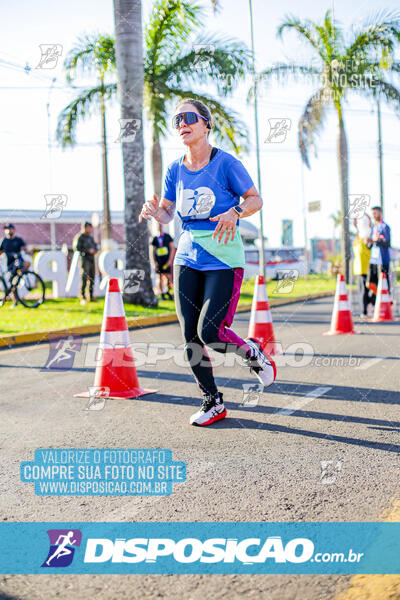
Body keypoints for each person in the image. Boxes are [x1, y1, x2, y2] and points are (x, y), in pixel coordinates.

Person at [139, 98, 276, 427]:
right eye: (176, 121)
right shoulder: (175, 169)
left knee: (211, 333)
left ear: (206, 124)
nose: (181, 124)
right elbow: (170, 212)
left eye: (188, 118)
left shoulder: (226, 163)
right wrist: (158, 213)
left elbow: (256, 198)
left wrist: (236, 211)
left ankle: (251, 353)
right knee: (190, 336)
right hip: (187, 256)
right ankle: (212, 401)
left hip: (223, 257)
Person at [367, 206, 391, 296]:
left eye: (375, 213)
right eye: (372, 213)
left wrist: (378, 240)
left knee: (384, 283)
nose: (373, 216)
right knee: (370, 283)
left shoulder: (385, 227)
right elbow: (369, 245)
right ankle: (378, 298)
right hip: (373, 260)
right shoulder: (373, 228)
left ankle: (387, 300)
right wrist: (369, 242)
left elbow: (388, 243)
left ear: (380, 213)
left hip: (383, 260)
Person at [352, 216, 373, 318]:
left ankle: (369, 306)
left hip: (368, 268)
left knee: (369, 289)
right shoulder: (357, 238)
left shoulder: (368, 238)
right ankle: (365, 310)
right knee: (364, 291)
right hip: (360, 269)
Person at [75, 222, 98, 305]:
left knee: (92, 278)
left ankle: (91, 296)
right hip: (84, 260)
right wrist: (88, 250)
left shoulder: (90, 238)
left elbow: (95, 246)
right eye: (88, 227)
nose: (89, 229)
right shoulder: (80, 237)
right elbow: (77, 247)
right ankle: (82, 296)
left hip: (91, 260)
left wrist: (95, 250)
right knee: (84, 278)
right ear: (84, 228)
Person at [151, 223, 175, 300]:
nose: (160, 227)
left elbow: (172, 249)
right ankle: (162, 294)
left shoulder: (168, 237)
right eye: (158, 226)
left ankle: (169, 292)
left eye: (161, 226)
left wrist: (170, 260)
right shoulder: (155, 238)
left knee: (168, 277)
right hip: (159, 261)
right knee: (160, 277)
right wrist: (154, 263)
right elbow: (153, 251)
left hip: (167, 261)